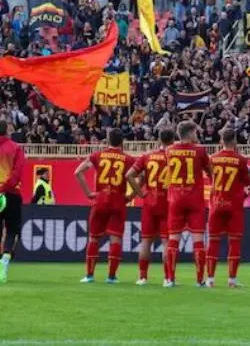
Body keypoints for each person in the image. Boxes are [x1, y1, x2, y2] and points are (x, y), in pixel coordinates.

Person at [74, 129, 139, 283]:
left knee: (94, 238)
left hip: (100, 198)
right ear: (122, 142)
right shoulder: (128, 159)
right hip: (118, 200)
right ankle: (111, 276)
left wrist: (89, 193)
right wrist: (131, 196)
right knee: (115, 239)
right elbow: (139, 177)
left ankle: (89, 275)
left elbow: (78, 172)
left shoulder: (97, 156)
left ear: (108, 140)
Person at [165, 121, 213, 288]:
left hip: (176, 199)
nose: (197, 135)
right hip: (194, 199)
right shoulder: (200, 151)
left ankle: (170, 279)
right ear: (191, 133)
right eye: (195, 132)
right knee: (198, 240)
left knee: (173, 240)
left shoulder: (169, 150)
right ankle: (199, 280)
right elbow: (210, 172)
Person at [125, 128, 174, 286]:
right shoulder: (174, 156)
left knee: (146, 241)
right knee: (167, 242)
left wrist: (141, 194)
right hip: (167, 202)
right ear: (173, 141)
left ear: (159, 140)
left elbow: (129, 175)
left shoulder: (147, 156)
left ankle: (143, 277)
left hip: (149, 202)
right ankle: (167, 278)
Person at [207, 129, 250, 288]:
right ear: (234, 140)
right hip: (234, 206)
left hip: (216, 204)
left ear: (221, 141)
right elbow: (248, 182)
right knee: (235, 242)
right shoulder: (241, 160)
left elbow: (212, 179)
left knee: (213, 242)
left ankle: (210, 280)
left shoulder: (212, 159)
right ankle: (232, 280)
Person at [0, 120, 26, 284]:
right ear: (7, 130)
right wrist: (5, 187)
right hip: (11, 193)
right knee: (12, 231)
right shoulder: (16, 149)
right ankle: (5, 261)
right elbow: (17, 173)